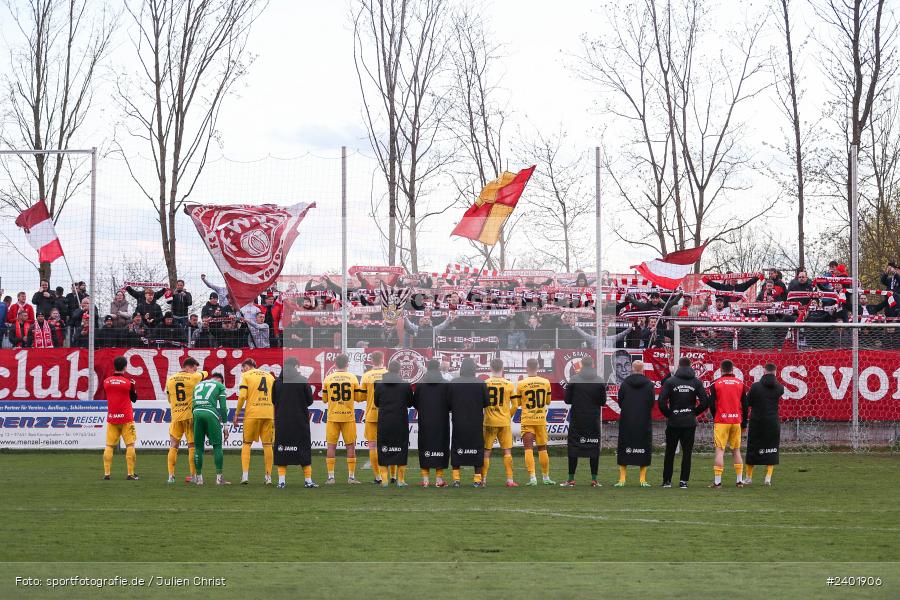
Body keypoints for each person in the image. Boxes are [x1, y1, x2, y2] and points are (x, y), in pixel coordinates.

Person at [657, 357, 709, 488]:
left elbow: (661, 402)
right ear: (690, 366)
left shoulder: (670, 381)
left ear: (679, 366)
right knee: (687, 453)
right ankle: (683, 481)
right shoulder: (696, 382)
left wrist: (670, 414)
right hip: (689, 423)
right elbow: (704, 402)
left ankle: (667, 481)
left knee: (670, 452)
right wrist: (693, 413)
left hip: (674, 422)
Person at [561, 355, 606, 487]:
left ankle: (571, 479)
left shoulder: (574, 379)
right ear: (592, 365)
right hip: (593, 419)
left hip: (577, 419)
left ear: (581, 365)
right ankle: (594, 480)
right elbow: (602, 402)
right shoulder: (599, 380)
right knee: (594, 448)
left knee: (573, 448)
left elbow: (567, 400)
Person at [272, 358, 317, 488]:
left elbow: (274, 400)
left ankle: (281, 481)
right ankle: (308, 481)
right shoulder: (302, 380)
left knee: (282, 449)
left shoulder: (277, 382)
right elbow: (310, 401)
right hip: (300, 421)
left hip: (282, 421)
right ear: (296, 366)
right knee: (303, 449)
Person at [164, 357, 207, 483]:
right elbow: (205, 374)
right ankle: (193, 476)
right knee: (192, 446)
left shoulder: (170, 379)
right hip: (189, 417)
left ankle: (171, 476)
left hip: (176, 416)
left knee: (173, 445)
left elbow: (169, 398)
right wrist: (199, 373)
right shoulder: (193, 377)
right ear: (189, 366)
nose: (195, 371)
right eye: (195, 368)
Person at [321, 353, 362, 484]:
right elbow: (358, 398)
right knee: (350, 446)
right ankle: (351, 477)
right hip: (348, 416)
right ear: (347, 364)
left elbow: (324, 399)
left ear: (335, 364)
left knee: (331, 447)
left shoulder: (328, 378)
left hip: (333, 416)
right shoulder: (352, 378)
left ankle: (331, 477)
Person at [233, 358, 276, 485]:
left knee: (247, 444)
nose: (242, 371)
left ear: (246, 367)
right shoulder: (270, 376)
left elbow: (242, 396)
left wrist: (236, 414)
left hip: (252, 413)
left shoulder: (246, 375)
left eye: (242, 368)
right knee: (268, 445)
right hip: (268, 413)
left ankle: (245, 476)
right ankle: (268, 477)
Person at [708, 359, 749, 488]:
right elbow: (746, 404)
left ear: (721, 370)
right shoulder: (740, 383)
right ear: (733, 370)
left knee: (720, 451)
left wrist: (716, 416)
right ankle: (739, 481)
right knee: (736, 450)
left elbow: (711, 403)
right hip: (736, 420)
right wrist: (744, 422)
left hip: (721, 421)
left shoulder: (716, 384)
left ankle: (718, 482)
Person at [448, 357, 489, 487]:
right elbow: (486, 403)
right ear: (473, 368)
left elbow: (448, 403)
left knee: (457, 448)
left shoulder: (454, 383)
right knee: (477, 449)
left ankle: (456, 480)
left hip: (459, 422)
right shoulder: (481, 383)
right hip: (475, 422)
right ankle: (477, 480)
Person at [374, 361, 414, 487]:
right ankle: (400, 481)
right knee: (401, 449)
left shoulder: (379, 385)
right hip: (400, 422)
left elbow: (376, 403)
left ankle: (384, 480)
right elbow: (410, 403)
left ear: (388, 370)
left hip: (384, 422)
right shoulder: (405, 385)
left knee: (383, 449)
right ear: (399, 370)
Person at [614, 361, 654, 487]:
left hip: (627, 419)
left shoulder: (625, 384)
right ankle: (642, 480)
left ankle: (622, 479)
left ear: (632, 369)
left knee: (624, 446)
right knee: (644, 446)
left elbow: (620, 401)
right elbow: (651, 402)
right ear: (643, 369)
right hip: (643, 419)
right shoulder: (649, 384)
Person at [516, 358, 555, 486]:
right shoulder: (545, 382)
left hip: (527, 419)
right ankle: (546, 477)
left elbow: (517, 403)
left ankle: (533, 478)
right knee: (542, 448)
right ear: (538, 367)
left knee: (528, 448)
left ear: (526, 368)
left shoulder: (521, 384)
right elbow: (548, 401)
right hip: (540, 419)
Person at [413, 360, 451, 487]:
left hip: (425, 420)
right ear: (439, 368)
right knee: (441, 447)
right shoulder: (446, 384)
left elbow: (415, 403)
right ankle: (439, 480)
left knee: (425, 446)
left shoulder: (420, 384)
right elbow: (450, 403)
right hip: (442, 421)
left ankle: (425, 480)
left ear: (427, 368)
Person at [744, 363, 783, 486]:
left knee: (752, 449)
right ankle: (768, 478)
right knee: (771, 448)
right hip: (772, 422)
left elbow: (748, 403)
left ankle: (749, 478)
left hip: (757, 421)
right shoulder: (780, 388)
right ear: (775, 372)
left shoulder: (755, 387)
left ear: (764, 371)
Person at [102, 356, 139, 480]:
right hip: (126, 419)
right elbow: (134, 399)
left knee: (109, 446)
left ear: (114, 366)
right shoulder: (129, 383)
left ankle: (107, 474)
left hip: (112, 418)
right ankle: (130, 473)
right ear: (125, 367)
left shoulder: (106, 381)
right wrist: (134, 387)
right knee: (130, 445)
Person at [482, 358, 518, 487]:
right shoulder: (509, 384)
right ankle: (509, 480)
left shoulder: (485, 383)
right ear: (502, 368)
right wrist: (508, 416)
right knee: (507, 451)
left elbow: (481, 403)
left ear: (490, 368)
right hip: (504, 422)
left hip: (489, 421)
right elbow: (515, 404)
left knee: (486, 451)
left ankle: (483, 479)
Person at [191, 373, 230, 486]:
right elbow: (223, 407)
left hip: (196, 413)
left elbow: (193, 404)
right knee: (217, 446)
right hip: (211, 413)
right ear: (220, 380)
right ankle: (219, 479)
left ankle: (199, 479)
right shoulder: (219, 385)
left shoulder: (198, 385)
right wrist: (225, 426)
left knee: (198, 447)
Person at [358, 352, 389, 484]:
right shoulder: (389, 374)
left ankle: (378, 477)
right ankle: (391, 476)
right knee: (388, 445)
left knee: (372, 446)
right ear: (382, 360)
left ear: (371, 360)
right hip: (387, 414)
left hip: (371, 414)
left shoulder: (366, 375)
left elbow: (360, 397)